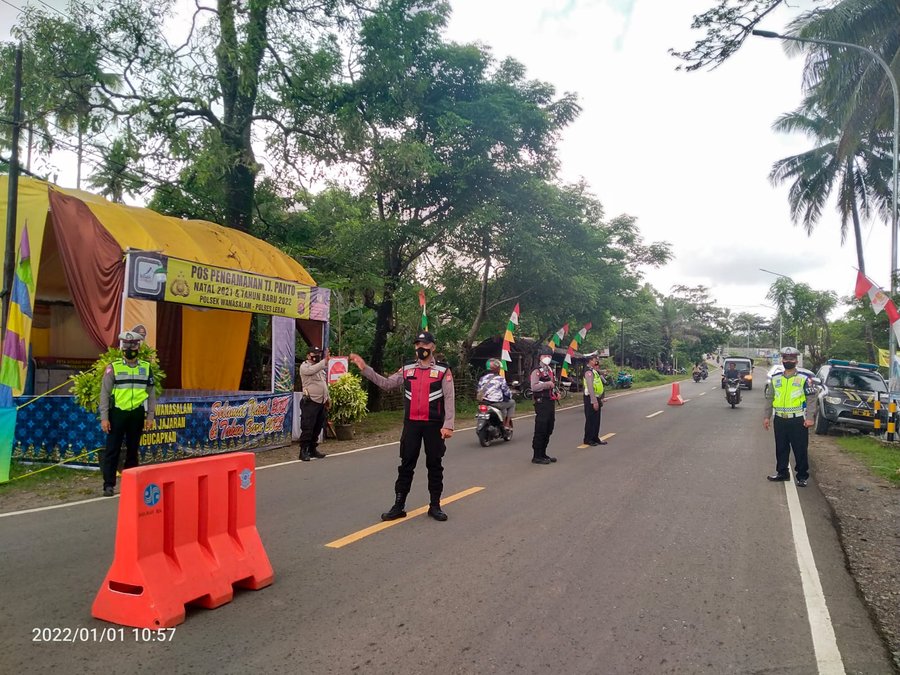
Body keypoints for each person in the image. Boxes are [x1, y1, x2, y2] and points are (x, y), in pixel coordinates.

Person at [350, 331, 455, 522]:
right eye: (417, 345)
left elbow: (449, 398)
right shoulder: (407, 368)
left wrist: (448, 425)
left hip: (434, 425)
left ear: (433, 347)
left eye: (424, 345)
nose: (420, 348)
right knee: (406, 465)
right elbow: (387, 384)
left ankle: (435, 506)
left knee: (434, 465)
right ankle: (398, 505)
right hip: (412, 424)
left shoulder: (443, 370)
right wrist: (365, 369)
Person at [99, 331, 157, 496]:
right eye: (126, 345)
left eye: (133, 345)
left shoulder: (146, 368)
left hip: (136, 414)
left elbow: (151, 394)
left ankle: (131, 484)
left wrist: (150, 416)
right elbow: (104, 393)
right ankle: (108, 485)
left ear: (138, 347)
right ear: (122, 348)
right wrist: (104, 418)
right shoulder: (114, 367)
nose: (129, 349)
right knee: (112, 450)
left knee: (133, 450)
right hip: (117, 413)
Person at [763, 346, 817, 487]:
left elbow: (811, 399)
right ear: (782, 360)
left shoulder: (804, 379)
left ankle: (802, 476)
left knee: (800, 448)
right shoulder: (775, 379)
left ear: (796, 360)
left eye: (791, 358)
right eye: (786, 358)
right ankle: (782, 472)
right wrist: (767, 417)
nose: (788, 361)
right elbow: (770, 398)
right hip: (780, 419)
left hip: (798, 419)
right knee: (781, 447)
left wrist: (810, 417)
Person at [298, 346, 330, 461]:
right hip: (310, 401)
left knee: (317, 427)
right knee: (308, 427)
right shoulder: (304, 367)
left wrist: (327, 398)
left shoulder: (320, 369)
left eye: (318, 353)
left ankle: (312, 449)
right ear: (308, 355)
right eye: (314, 353)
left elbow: (323, 383)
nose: (316, 355)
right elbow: (312, 370)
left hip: (321, 401)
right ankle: (303, 451)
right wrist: (324, 362)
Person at [530, 344, 559, 465]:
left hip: (550, 401)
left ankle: (543, 453)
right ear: (540, 357)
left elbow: (553, 384)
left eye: (549, 356)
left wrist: (556, 392)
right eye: (545, 355)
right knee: (541, 428)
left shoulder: (550, 370)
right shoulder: (537, 371)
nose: (547, 357)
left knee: (549, 427)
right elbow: (534, 386)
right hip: (541, 402)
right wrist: (547, 385)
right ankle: (537, 455)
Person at [477, 358, 515, 429]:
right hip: (496, 404)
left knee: (503, 408)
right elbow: (506, 392)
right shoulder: (500, 379)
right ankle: (506, 424)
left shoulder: (482, 378)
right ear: (497, 368)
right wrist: (510, 395)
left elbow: (479, 390)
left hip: (483, 403)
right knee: (512, 402)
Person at [582, 354, 607, 446]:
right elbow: (590, 387)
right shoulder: (588, 372)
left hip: (597, 397)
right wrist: (594, 401)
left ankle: (595, 437)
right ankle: (588, 439)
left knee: (596, 420)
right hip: (591, 398)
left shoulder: (594, 371)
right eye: (594, 359)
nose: (596, 361)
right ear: (590, 360)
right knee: (591, 419)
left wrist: (600, 398)